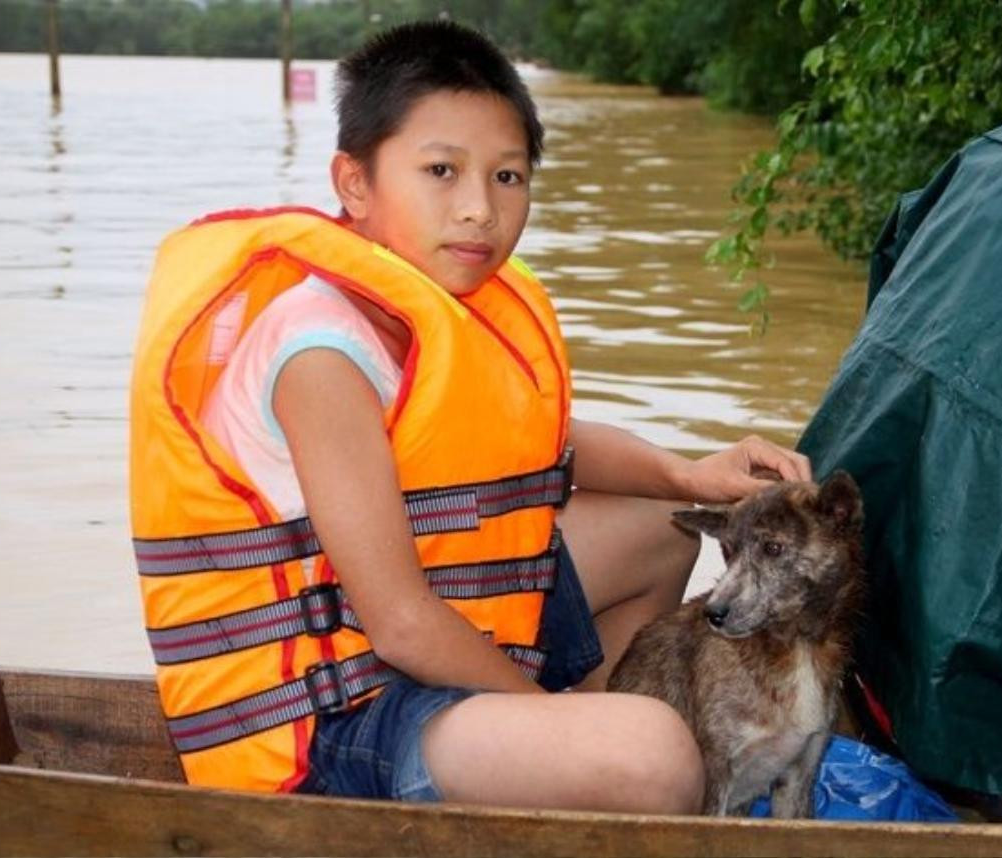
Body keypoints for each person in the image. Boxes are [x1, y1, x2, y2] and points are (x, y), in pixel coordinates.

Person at [129, 19, 810, 814]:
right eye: (441, 171)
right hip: (335, 719)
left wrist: (687, 472)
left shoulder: (452, 307)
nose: (479, 211)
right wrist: (550, 713)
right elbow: (403, 627)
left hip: (430, 650)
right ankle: (587, 751)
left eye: (507, 178)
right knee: (653, 752)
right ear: (354, 183)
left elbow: (543, 448)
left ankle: (561, 776)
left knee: (663, 521)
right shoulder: (319, 352)